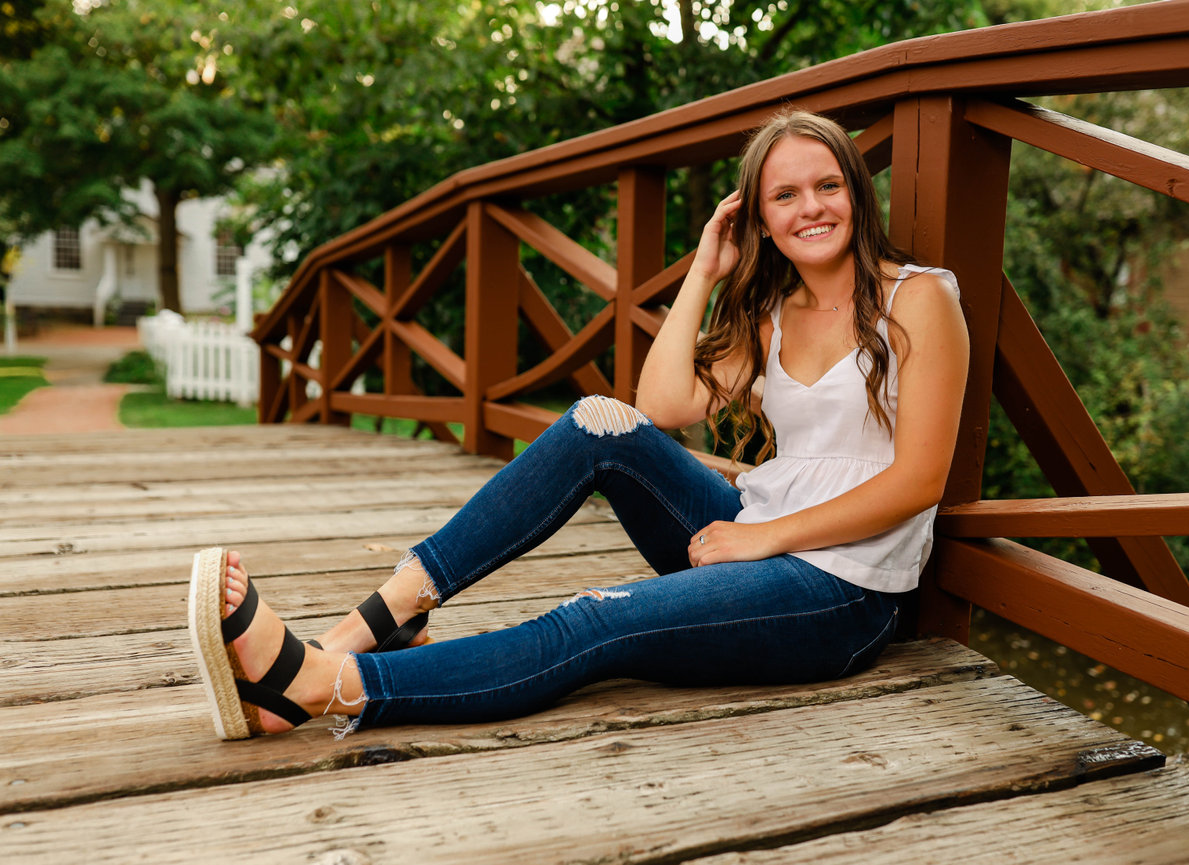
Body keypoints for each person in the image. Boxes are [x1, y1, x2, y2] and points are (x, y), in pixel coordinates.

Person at [187, 109, 970, 741]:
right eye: (785, 195)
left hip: (844, 592)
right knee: (600, 422)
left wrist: (765, 538)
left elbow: (917, 480)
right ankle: (381, 616)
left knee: (596, 620)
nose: (810, 208)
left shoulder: (919, 300)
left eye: (827, 185)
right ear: (758, 218)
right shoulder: (772, 313)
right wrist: (703, 269)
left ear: (856, 196)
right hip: (746, 536)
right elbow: (656, 407)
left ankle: (326, 686)